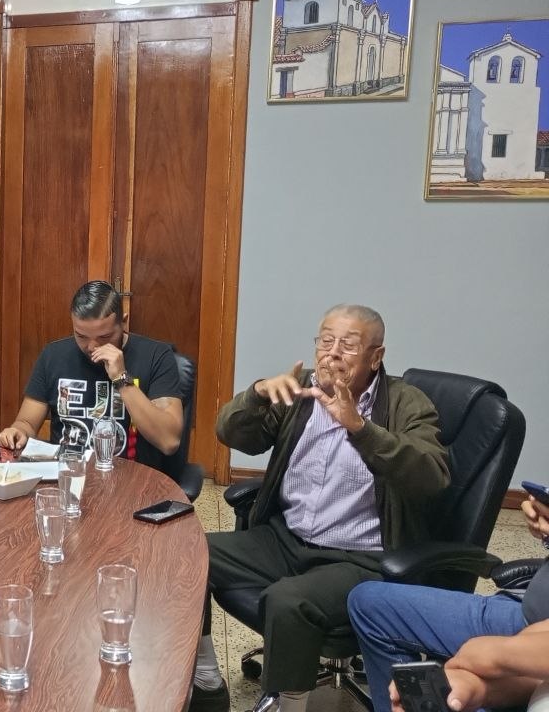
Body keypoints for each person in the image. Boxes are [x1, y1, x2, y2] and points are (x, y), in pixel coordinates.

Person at [190, 304, 449, 712]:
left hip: (358, 557)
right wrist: (258, 395)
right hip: (285, 539)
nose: (333, 353)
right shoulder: (302, 391)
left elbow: (432, 475)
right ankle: (205, 676)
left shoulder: (406, 403)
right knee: (187, 553)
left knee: (288, 601)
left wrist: (359, 428)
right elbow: (231, 434)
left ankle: (288, 705)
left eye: (348, 345)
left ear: (376, 357)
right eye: (326, 341)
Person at [349, 493, 549, 712]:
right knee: (369, 603)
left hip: (531, 631)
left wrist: (500, 657)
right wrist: (481, 688)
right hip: (531, 614)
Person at [0, 281, 182, 469]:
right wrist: (17, 431)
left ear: (123, 322)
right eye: (81, 336)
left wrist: (121, 378)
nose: (92, 347)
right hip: (67, 475)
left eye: (104, 337)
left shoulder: (156, 356)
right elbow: (27, 422)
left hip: (132, 479)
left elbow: (169, 441)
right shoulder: (53, 356)